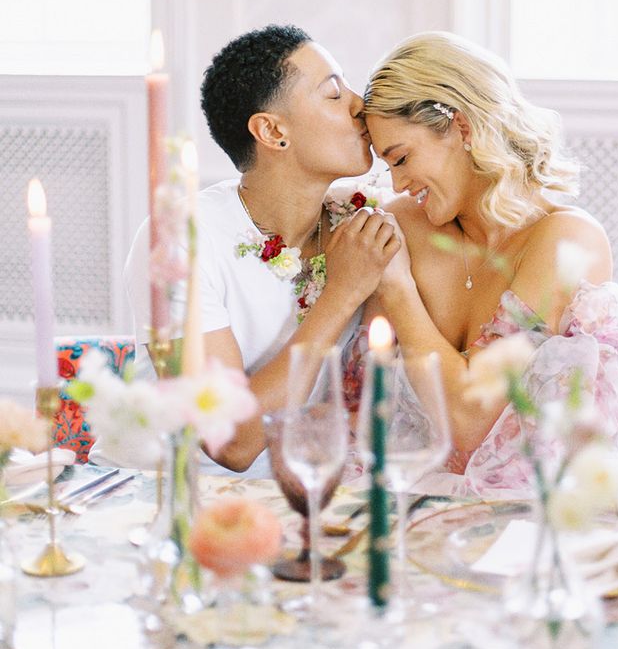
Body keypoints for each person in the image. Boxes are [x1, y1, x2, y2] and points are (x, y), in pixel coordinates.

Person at [359, 31, 618, 496]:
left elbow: (468, 422)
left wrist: (397, 290)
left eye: (401, 158)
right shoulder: (405, 221)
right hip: (405, 495)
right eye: (388, 166)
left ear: (462, 128)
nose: (398, 183)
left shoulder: (565, 238)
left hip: (538, 510)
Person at [89, 24, 400, 476]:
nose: (360, 105)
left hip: (289, 503)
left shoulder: (360, 224)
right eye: (334, 93)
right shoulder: (181, 238)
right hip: (154, 500)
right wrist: (342, 293)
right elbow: (231, 443)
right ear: (273, 131)